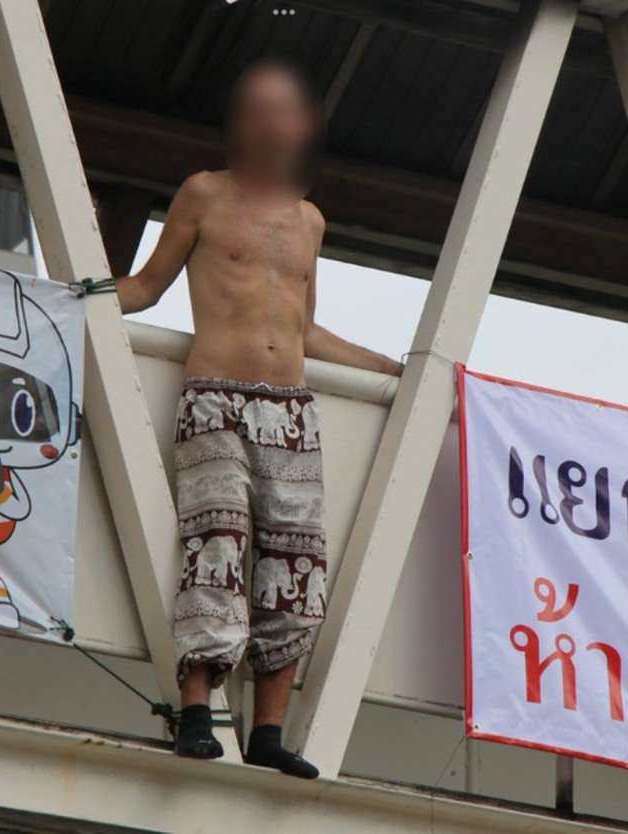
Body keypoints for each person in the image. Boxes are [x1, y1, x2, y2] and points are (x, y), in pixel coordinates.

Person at [114, 58, 403, 779]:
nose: (274, 125)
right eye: (261, 111)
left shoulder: (309, 217)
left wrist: (398, 369)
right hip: (216, 393)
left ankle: (270, 730)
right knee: (215, 545)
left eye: (287, 112)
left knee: (297, 564)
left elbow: (305, 329)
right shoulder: (203, 195)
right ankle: (195, 714)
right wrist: (71, 294)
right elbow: (146, 288)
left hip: (292, 406)